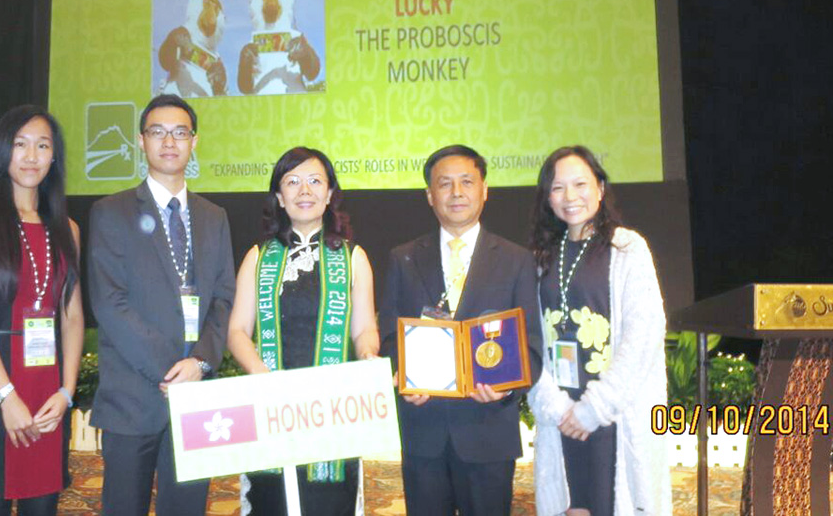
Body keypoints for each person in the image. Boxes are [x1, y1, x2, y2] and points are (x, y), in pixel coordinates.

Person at [88, 94, 236, 516]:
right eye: (157, 132)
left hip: (197, 400)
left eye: (179, 132)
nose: (169, 142)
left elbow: (223, 298)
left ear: (194, 141)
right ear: (140, 141)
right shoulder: (111, 211)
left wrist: (200, 363)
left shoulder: (214, 216)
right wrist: (172, 369)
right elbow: (110, 303)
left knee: (187, 509)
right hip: (134, 398)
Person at [377, 145, 542, 515]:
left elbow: (531, 343)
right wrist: (402, 377)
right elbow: (389, 335)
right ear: (429, 195)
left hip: (487, 431)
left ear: (484, 190)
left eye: (467, 182)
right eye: (445, 184)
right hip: (423, 430)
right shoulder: (403, 258)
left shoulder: (516, 261)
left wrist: (505, 387)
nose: (456, 193)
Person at [226, 147, 379, 515]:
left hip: (331, 409)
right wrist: (263, 376)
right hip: (271, 406)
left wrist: (368, 357)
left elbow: (364, 330)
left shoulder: (353, 257)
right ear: (279, 197)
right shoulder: (259, 256)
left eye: (314, 181)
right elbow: (237, 330)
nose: (304, 190)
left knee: (328, 503)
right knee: (271, 502)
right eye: (292, 182)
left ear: (329, 195)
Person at [0, 105, 84, 516]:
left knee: (42, 505)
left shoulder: (68, 228)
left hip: (47, 388)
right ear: (2, 151)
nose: (31, 156)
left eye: (42, 146)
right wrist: (6, 396)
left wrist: (66, 391)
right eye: (20, 144)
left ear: (54, 156)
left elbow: (73, 316)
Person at [526, 146, 671, 516]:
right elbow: (531, 338)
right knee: (572, 507)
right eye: (558, 188)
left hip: (612, 413)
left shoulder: (627, 248)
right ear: (547, 197)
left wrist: (595, 407)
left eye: (580, 184)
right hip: (562, 413)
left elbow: (643, 335)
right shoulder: (543, 255)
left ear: (601, 188)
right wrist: (557, 406)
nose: (570, 197)